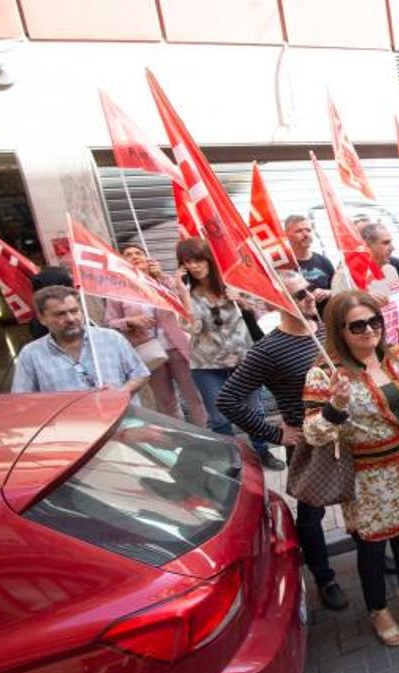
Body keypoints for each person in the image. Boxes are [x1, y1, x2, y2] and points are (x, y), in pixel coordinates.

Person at [303, 290, 399, 647]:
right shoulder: (325, 375)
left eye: (374, 321)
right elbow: (313, 433)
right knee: (371, 544)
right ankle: (378, 609)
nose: (369, 331)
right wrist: (336, 405)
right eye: (357, 325)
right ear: (339, 330)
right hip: (367, 472)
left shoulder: (394, 357)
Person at [216, 271, 348, 612]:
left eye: (308, 291)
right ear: (278, 304)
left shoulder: (326, 330)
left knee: (356, 494)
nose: (309, 298)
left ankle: (372, 549)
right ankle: (324, 577)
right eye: (299, 295)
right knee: (311, 511)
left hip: (344, 432)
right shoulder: (267, 349)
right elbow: (227, 400)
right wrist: (276, 434)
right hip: (306, 440)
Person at [174, 238, 282, 470]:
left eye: (198, 259)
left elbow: (259, 307)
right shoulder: (186, 294)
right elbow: (191, 328)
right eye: (187, 262)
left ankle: (262, 452)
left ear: (209, 259)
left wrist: (241, 299)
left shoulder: (232, 282)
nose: (194, 266)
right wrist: (183, 293)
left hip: (244, 360)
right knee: (219, 417)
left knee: (253, 411)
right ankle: (232, 460)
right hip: (206, 365)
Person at [105, 243, 207, 426]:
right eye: (128, 255)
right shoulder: (118, 290)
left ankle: (209, 436)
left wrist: (160, 276)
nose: (135, 256)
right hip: (148, 350)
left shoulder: (162, 281)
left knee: (194, 396)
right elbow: (110, 322)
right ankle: (181, 440)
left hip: (176, 345)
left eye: (139, 253)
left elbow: (182, 299)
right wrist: (130, 321)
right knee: (166, 402)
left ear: (147, 258)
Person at [13, 285, 150, 396]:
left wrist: (119, 393)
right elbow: (22, 397)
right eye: (60, 314)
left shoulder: (111, 338)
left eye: (74, 311)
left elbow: (140, 374)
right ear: (42, 318)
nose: (71, 319)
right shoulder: (31, 354)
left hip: (120, 423)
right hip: (69, 427)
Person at [285, 214, 334, 308]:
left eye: (308, 230)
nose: (306, 234)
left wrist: (328, 293)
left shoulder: (324, 261)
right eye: (299, 231)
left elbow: (339, 290)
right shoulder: (282, 265)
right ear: (287, 235)